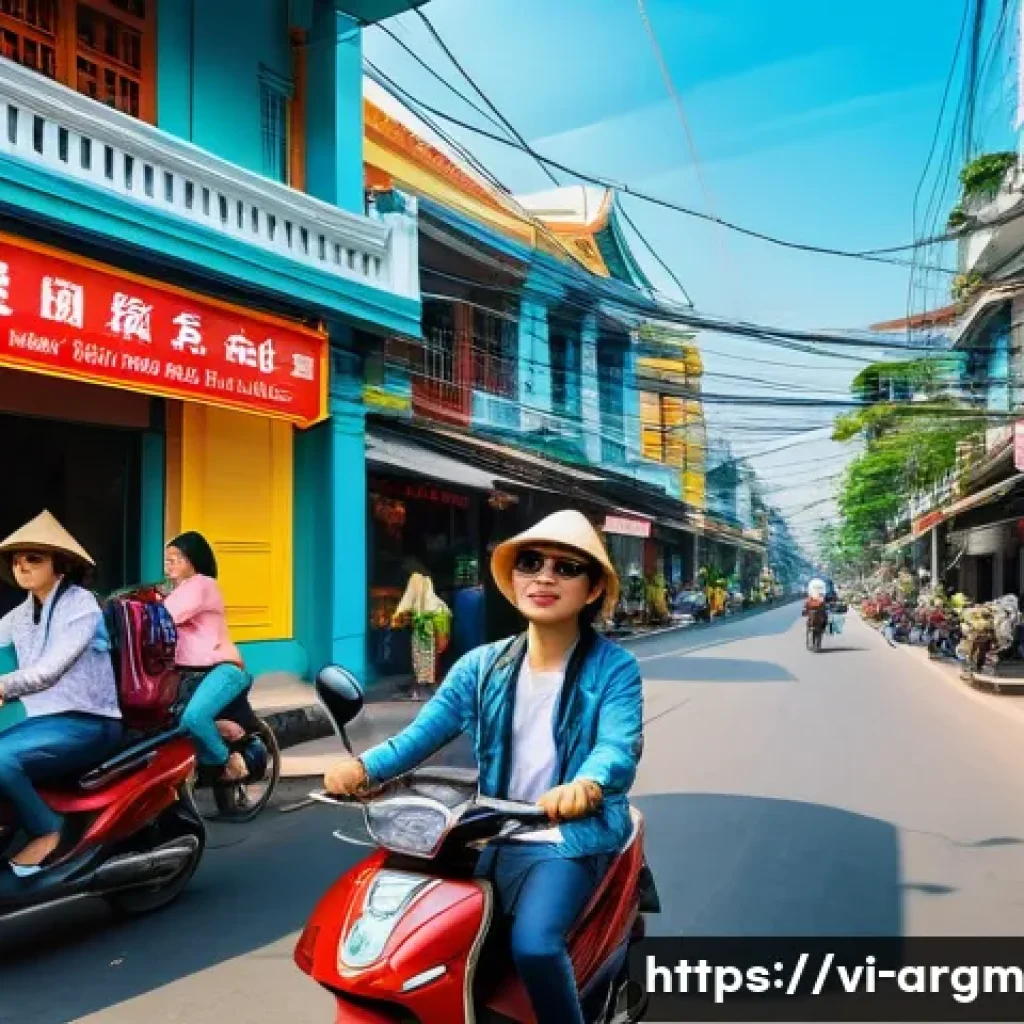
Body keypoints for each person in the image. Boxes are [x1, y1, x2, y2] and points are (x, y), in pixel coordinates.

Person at [324, 510, 643, 1024]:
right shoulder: (481, 666)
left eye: (566, 568)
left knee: (535, 946)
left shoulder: (615, 669)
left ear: (590, 591)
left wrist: (587, 784)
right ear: (513, 579)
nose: (543, 577)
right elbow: (422, 735)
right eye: (532, 563)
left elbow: (617, 745)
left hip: (568, 836)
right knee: (420, 937)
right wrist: (364, 769)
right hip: (486, 831)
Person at [0, 511, 123, 875]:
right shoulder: (21, 614)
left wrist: (4, 685)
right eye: (17, 560)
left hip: (90, 721)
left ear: (61, 565)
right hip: (44, 722)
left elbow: (50, 669)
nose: (22, 566)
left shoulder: (80, 605)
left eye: (34, 558)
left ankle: (47, 829)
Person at [163, 532, 249, 782]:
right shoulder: (179, 590)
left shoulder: (202, 584)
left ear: (192, 560)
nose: (169, 565)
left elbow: (169, 616)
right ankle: (219, 734)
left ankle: (226, 760)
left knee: (194, 717)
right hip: (193, 672)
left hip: (223, 669)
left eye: (175, 559)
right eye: (167, 560)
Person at [391, 572, 451, 700]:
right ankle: (422, 690)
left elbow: (442, 625)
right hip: (423, 639)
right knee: (422, 664)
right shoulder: (434, 606)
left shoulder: (434, 607)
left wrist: (442, 637)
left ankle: (425, 690)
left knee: (428, 664)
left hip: (429, 639)